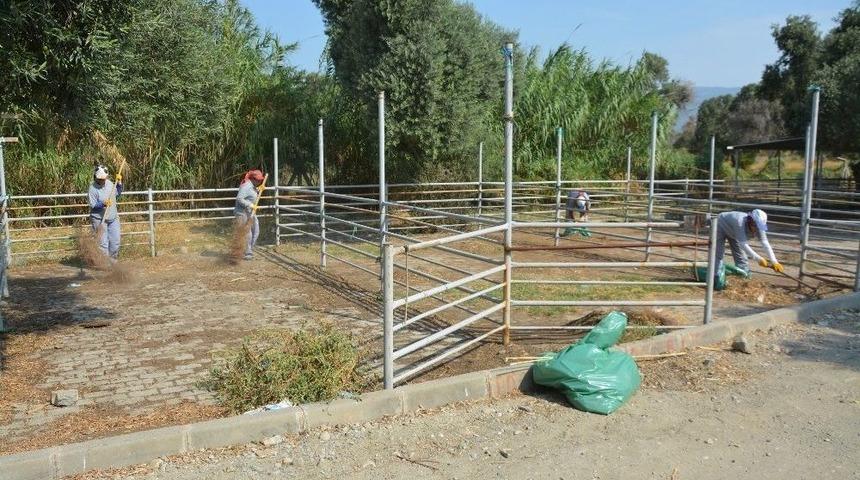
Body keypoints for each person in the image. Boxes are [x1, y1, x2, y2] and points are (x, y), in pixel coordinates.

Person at [714, 209, 784, 279]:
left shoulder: (759, 226)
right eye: (755, 226)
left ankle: (744, 276)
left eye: (758, 226)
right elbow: (743, 244)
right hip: (720, 224)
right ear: (750, 221)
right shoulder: (739, 222)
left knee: (741, 255)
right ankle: (716, 276)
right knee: (719, 253)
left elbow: (765, 243)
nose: (757, 229)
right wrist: (759, 259)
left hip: (733, 231)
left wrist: (774, 261)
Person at [88, 165, 123, 260]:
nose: (103, 181)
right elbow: (93, 206)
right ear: (96, 178)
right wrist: (103, 204)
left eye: (104, 179)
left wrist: (119, 182)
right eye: (100, 179)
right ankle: (105, 265)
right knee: (103, 244)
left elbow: (118, 193)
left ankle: (113, 262)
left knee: (115, 242)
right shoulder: (92, 189)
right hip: (99, 219)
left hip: (113, 218)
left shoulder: (110, 184)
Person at [234, 169, 265, 260]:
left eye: (261, 180)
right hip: (242, 212)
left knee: (256, 230)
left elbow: (252, 195)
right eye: (258, 180)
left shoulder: (253, 186)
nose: (260, 181)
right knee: (248, 233)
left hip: (250, 212)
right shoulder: (246, 186)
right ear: (253, 179)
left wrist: (258, 190)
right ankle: (247, 252)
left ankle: (248, 249)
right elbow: (239, 199)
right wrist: (250, 205)